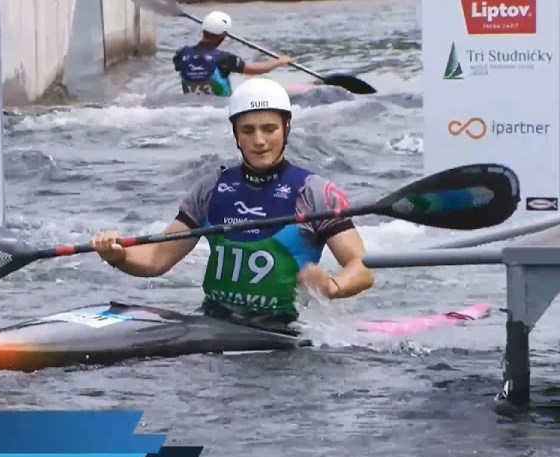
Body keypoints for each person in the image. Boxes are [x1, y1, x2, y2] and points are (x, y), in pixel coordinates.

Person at [90, 77, 374, 329]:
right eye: (248, 130)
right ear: (235, 133)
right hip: (215, 323)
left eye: (269, 129)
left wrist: (333, 286)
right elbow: (156, 259)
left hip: (283, 330)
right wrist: (117, 256)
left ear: (286, 128)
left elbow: (361, 267)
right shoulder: (211, 189)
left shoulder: (315, 193)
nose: (259, 140)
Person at [174, 11, 293, 97]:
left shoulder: (181, 54)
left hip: (191, 108)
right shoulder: (224, 58)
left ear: (204, 30)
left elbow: (187, 64)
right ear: (223, 37)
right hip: (222, 109)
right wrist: (278, 61)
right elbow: (256, 70)